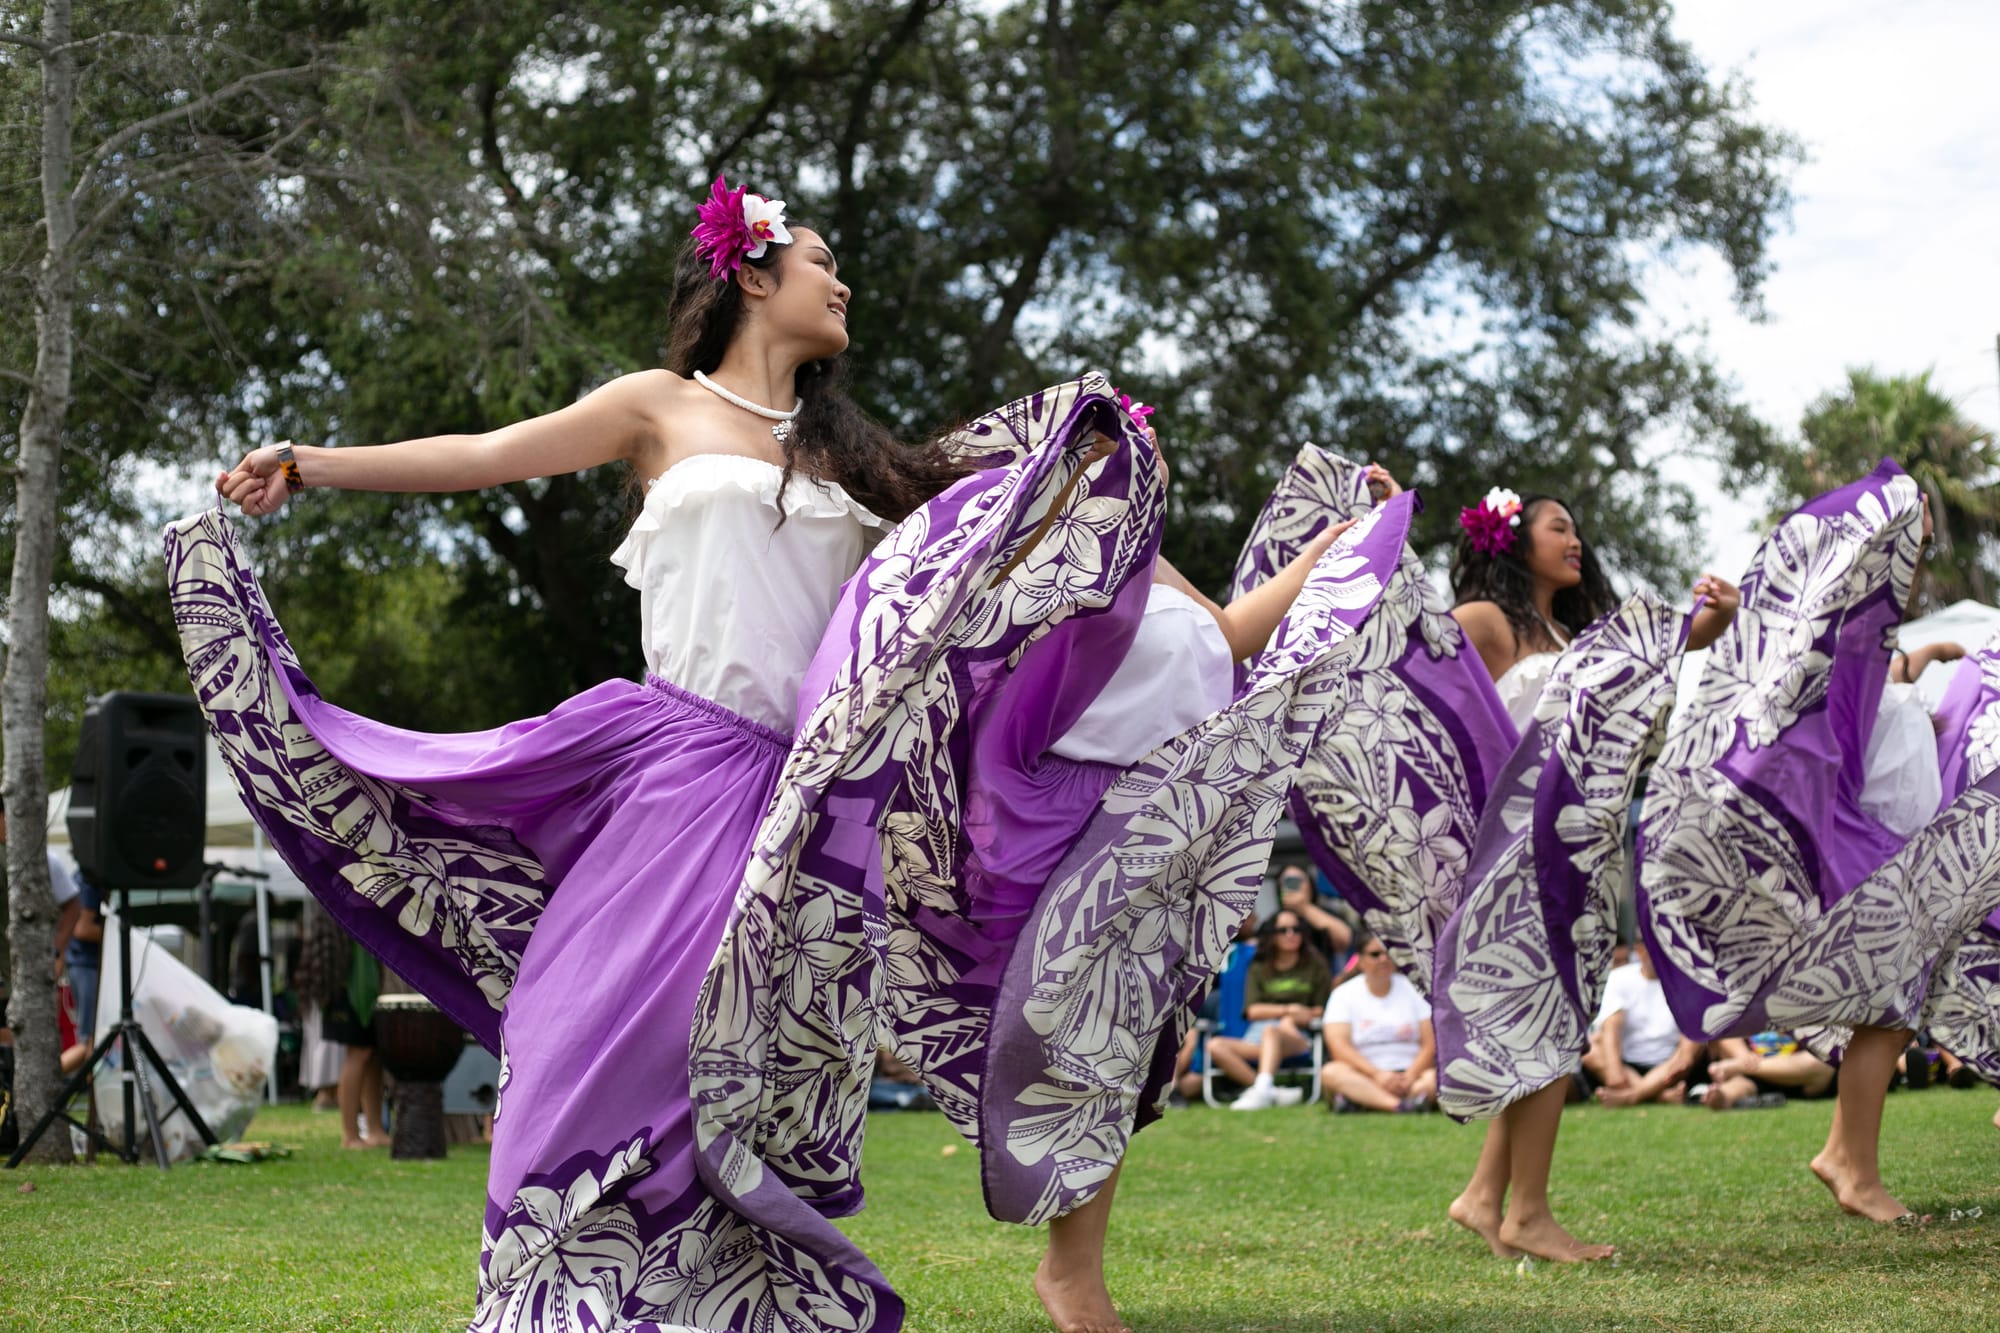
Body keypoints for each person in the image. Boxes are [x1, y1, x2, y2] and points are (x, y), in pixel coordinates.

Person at [1269, 456, 1738, 1262]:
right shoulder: (1488, 619)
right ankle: (1528, 1214)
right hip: (1515, 857)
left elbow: (1655, 653)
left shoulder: (1575, 638)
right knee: (1551, 1018)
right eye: (1560, 526)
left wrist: (1714, 620)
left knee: (1549, 1019)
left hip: (1577, 849)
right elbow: (1414, 661)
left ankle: (1485, 1196)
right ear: (1514, 540)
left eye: (1577, 530)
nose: (1576, 540)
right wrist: (1384, 523)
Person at [1641, 468, 2000, 1225]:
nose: (1926, 524)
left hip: (1879, 800)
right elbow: (1806, 668)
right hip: (1855, 809)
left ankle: (1848, 1154)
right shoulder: (1845, 593)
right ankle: (1849, 1161)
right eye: (1916, 513)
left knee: (1903, 976)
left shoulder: (1877, 604)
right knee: (1899, 975)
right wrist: (1749, 614)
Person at [1206, 908, 1334, 1110]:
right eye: (1283, 930)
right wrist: (1289, 1010)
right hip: (1257, 1039)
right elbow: (1252, 1011)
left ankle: (1262, 1090)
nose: (1291, 935)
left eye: (1296, 929)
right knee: (1215, 1045)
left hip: (1296, 1036)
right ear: (1272, 935)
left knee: (1272, 1031)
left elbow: (1325, 1009)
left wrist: (1297, 1017)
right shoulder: (1259, 966)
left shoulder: (1316, 964)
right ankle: (1267, 1090)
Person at [1319, 931, 1435, 1112]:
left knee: (1435, 1078)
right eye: (1375, 954)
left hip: (1411, 1075)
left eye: (1389, 953)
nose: (1383, 959)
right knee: (1331, 1072)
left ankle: (1364, 1100)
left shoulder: (1414, 989)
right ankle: (1399, 1106)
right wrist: (1377, 1075)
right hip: (1364, 1075)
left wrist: (1410, 1075)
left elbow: (1431, 1042)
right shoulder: (1342, 994)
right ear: (1360, 960)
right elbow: (1338, 1046)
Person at [1584, 943, 1700, 1107]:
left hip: (1668, 1064)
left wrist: (1685, 1056)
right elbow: (1611, 1027)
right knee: (1591, 1049)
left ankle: (1631, 1096)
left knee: (1696, 1044)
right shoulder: (1619, 977)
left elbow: (1689, 1040)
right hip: (1628, 1066)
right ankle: (1659, 1096)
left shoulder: (1686, 981)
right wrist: (1615, 1072)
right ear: (1640, 950)